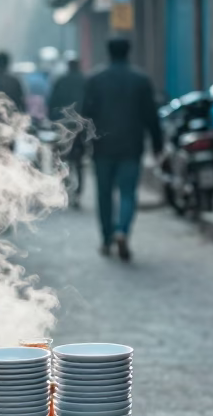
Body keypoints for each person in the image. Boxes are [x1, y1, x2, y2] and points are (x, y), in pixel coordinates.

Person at [82, 37, 162, 261]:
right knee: (128, 193)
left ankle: (107, 239)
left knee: (104, 194)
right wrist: (157, 144)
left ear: (108, 52)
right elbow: (151, 116)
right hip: (131, 146)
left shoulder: (95, 79)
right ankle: (122, 231)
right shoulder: (141, 80)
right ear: (129, 52)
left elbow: (85, 115)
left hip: (103, 147)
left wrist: (81, 143)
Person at [49, 57, 87, 207]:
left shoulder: (61, 81)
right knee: (79, 161)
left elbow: (52, 102)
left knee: (62, 159)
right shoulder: (85, 81)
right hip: (80, 126)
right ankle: (78, 194)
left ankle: (65, 190)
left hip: (62, 125)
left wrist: (52, 121)